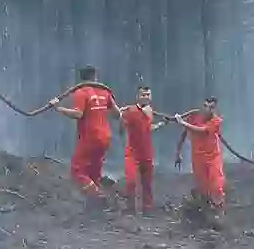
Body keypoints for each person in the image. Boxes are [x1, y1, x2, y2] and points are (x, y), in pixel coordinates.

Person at [50, 65, 116, 199]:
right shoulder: (105, 92)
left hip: (91, 137)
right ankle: (93, 207)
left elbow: (78, 114)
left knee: (77, 171)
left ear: (80, 78)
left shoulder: (81, 92)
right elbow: (117, 113)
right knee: (95, 171)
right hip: (106, 137)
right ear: (95, 76)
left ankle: (97, 196)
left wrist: (58, 108)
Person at [173, 96, 228, 210]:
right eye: (205, 106)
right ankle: (205, 210)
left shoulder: (217, 121)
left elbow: (202, 131)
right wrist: (178, 152)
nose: (207, 110)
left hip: (213, 157)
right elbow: (184, 134)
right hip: (198, 157)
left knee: (217, 185)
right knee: (203, 188)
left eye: (211, 107)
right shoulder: (193, 116)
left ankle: (220, 212)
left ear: (215, 109)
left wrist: (182, 122)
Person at [117, 83, 164, 212]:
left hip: (148, 153)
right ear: (138, 96)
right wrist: (121, 118)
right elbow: (121, 130)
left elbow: (147, 129)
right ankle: (130, 208)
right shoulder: (130, 111)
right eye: (143, 94)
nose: (146, 97)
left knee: (147, 184)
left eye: (148, 94)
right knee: (131, 181)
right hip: (133, 152)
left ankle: (147, 210)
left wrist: (159, 125)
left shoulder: (150, 111)